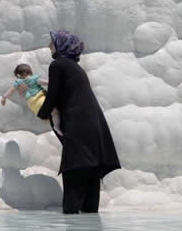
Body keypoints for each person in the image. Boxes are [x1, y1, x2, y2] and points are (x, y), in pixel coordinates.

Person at [37, 30, 120, 214]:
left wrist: (41, 113)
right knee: (90, 177)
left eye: (52, 42)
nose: (49, 46)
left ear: (60, 45)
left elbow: (53, 95)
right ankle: (89, 224)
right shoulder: (75, 67)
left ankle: (72, 221)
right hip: (94, 126)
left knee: (74, 172)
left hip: (79, 125)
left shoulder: (58, 64)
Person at [0, 64, 63, 137]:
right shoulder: (33, 78)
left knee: (47, 113)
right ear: (28, 72)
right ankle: (56, 126)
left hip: (32, 104)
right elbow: (47, 82)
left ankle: (49, 118)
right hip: (39, 99)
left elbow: (11, 91)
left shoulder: (19, 82)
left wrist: (4, 98)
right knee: (55, 111)